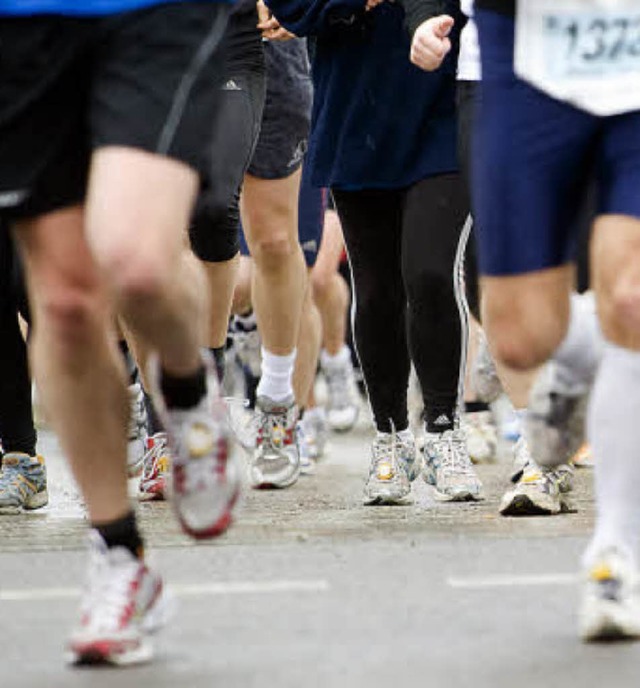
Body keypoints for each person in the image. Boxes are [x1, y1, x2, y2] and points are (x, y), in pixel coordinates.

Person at [0, 0, 240, 665]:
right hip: (20, 23)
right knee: (67, 302)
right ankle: (118, 554)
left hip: (152, 14)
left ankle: (189, 390)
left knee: (134, 259)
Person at [413, 0, 640, 642]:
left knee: (631, 295)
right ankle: (573, 365)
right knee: (518, 336)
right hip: (528, 57)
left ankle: (617, 554)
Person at [263, 0, 483, 505]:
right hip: (354, 111)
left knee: (429, 272)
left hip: (443, 110)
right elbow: (293, 10)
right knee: (377, 287)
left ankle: (445, 432)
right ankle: (391, 438)